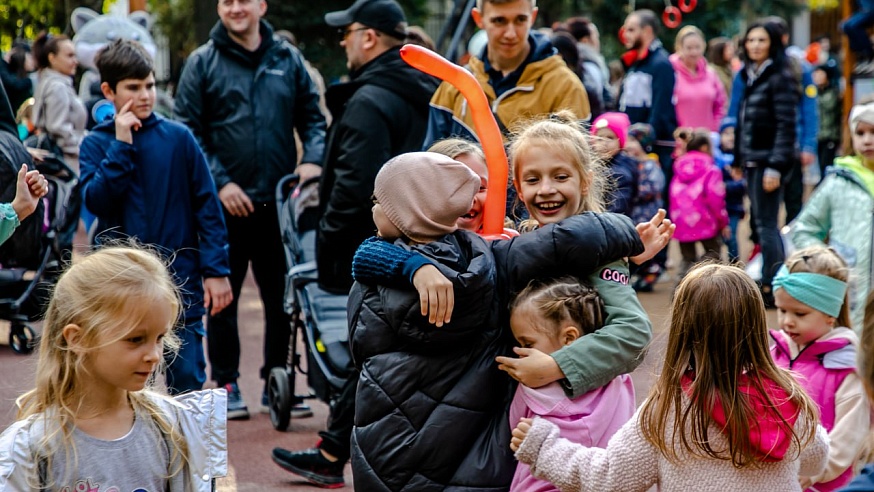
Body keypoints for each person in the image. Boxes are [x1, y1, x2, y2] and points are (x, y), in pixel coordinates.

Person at [342, 151, 649, 490]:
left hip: (384, 450)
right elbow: (576, 237)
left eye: (380, 200)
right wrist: (629, 234)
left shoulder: (372, 273)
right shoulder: (488, 263)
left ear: (410, 210)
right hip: (470, 454)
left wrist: (413, 265)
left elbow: (364, 261)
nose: (373, 209)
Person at [271, 0, 438, 485]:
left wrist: (329, 244)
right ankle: (335, 450)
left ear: (369, 37)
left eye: (348, 33)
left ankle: (333, 454)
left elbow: (355, 186)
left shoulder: (368, 100)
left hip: (379, 247)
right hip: (426, 240)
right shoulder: (423, 90)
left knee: (370, 351)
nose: (342, 41)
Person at [510, 263, 829, 491]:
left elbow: (609, 478)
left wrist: (543, 447)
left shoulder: (668, 412)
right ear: (756, 326)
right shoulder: (786, 399)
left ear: (683, 330)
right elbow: (817, 457)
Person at [173, 0, 327, 419]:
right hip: (223, 207)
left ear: (261, 5)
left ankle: (277, 381)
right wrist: (221, 183)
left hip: (278, 205)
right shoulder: (202, 63)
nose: (235, 8)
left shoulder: (287, 59)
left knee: (283, 297)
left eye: (244, 0)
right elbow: (188, 130)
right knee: (222, 297)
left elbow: (313, 119)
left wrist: (312, 160)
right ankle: (227, 381)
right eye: (226, 1)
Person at [0, 245, 227, 489]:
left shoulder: (171, 428)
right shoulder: (32, 447)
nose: (153, 355)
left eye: (159, 338)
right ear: (77, 339)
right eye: (135, 339)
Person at [79, 39, 232, 396]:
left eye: (149, 85)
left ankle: (187, 455)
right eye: (133, 87)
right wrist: (120, 145)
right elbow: (97, 201)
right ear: (109, 91)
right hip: (120, 287)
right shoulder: (96, 144)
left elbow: (207, 207)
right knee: (126, 391)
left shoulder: (179, 138)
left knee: (189, 387)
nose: (146, 95)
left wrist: (217, 271)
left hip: (182, 285)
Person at [507, 278, 635, 491]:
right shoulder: (619, 380)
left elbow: (514, 429)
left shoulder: (532, 389)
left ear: (569, 338)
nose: (520, 352)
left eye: (527, 344)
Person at [770, 247, 870, 491]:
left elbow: (850, 435)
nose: (786, 321)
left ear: (830, 314)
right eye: (782, 310)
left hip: (825, 484)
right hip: (777, 476)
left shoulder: (847, 368)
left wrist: (816, 471)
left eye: (799, 313)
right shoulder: (776, 353)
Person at [425, 0, 590, 147]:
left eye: (520, 20)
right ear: (478, 19)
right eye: (499, 21)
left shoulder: (565, 86)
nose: (510, 33)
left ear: (532, 17)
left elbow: (574, 170)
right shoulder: (455, 86)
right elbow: (433, 165)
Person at [791, 99, 874, 331]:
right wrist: (829, 261)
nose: (867, 139)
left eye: (873, 131)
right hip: (850, 298)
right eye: (860, 132)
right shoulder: (839, 181)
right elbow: (804, 228)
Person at [733, 20, 799, 307]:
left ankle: (773, 285)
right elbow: (744, 120)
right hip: (753, 161)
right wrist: (739, 156)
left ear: (772, 43)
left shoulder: (778, 77)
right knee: (761, 224)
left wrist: (774, 166)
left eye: (761, 40)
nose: (755, 45)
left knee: (768, 224)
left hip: (768, 163)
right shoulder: (751, 76)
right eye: (751, 40)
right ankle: (771, 281)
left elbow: (786, 125)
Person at [618, 9, 678, 186]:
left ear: (647, 31)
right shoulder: (635, 63)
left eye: (631, 29)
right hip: (631, 145)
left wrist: (642, 141)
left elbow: (661, 109)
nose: (625, 35)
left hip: (653, 147)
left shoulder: (661, 63)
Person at [670, 128, 728, 278]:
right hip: (705, 219)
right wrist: (723, 223)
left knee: (687, 258)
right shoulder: (711, 169)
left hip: (680, 220)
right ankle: (707, 289)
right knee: (713, 255)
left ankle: (681, 293)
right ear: (705, 147)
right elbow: (716, 198)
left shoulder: (678, 167)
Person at [31, 33, 87, 172]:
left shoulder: (49, 82)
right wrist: (84, 147)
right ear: (52, 58)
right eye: (69, 55)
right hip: (66, 165)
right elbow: (58, 128)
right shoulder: (57, 87)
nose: (75, 61)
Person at [626, 123, 665, 291]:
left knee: (647, 243)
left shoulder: (650, 164)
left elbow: (655, 186)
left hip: (648, 212)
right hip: (636, 213)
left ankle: (651, 273)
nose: (628, 144)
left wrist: (636, 190)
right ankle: (640, 275)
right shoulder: (632, 164)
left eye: (632, 140)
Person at [670, 26, 727, 132]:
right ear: (679, 48)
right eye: (689, 48)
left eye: (697, 47)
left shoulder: (711, 74)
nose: (694, 52)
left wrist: (715, 128)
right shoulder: (670, 72)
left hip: (707, 139)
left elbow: (721, 105)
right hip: (679, 140)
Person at [590, 112, 637, 217]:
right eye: (599, 138)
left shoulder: (621, 173)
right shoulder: (592, 165)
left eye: (610, 138)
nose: (604, 142)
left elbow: (617, 209)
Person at [564, 17, 611, 118]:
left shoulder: (569, 61)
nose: (598, 42)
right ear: (585, 40)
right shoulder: (590, 66)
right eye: (596, 37)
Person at [713, 121, 745, 262]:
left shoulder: (740, 159)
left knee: (730, 238)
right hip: (715, 209)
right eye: (726, 133)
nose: (731, 137)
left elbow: (744, 184)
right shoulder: (714, 159)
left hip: (733, 207)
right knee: (716, 240)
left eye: (734, 133)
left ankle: (735, 267)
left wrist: (724, 187)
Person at [813, 63, 841, 178]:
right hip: (818, 136)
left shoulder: (833, 93)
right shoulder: (814, 92)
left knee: (827, 166)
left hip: (830, 136)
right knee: (820, 167)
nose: (817, 77)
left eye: (820, 74)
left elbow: (830, 106)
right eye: (816, 74)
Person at [841, 0, 874, 74]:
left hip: (870, 10)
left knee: (852, 26)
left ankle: (869, 55)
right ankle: (861, 56)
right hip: (863, 11)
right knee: (845, 26)